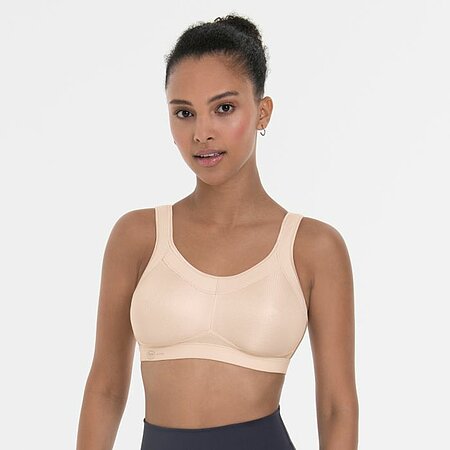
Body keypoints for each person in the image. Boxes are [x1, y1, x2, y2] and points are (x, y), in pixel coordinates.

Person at [76, 13, 358, 450]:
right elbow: (106, 389)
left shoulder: (313, 249)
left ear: (262, 112)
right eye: (184, 113)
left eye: (224, 108)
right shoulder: (138, 238)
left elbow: (337, 407)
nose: (202, 133)